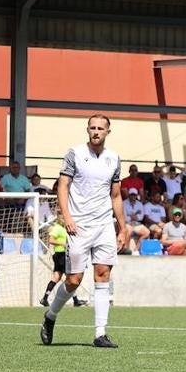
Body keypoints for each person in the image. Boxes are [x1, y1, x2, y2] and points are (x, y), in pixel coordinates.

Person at [40, 114, 127, 349]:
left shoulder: (114, 158)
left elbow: (116, 195)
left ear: (108, 132)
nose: (96, 131)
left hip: (104, 226)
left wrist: (122, 227)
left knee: (102, 275)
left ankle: (100, 334)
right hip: (78, 226)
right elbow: (63, 186)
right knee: (73, 280)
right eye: (92, 127)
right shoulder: (75, 154)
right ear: (87, 130)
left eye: (100, 128)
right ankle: (50, 316)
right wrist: (67, 217)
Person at [39, 209, 86, 308]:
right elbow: (51, 240)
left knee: (56, 277)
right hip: (61, 255)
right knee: (70, 278)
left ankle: (45, 298)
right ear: (59, 218)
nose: (64, 220)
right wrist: (63, 244)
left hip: (60, 255)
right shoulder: (57, 228)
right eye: (62, 218)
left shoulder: (64, 228)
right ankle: (75, 300)